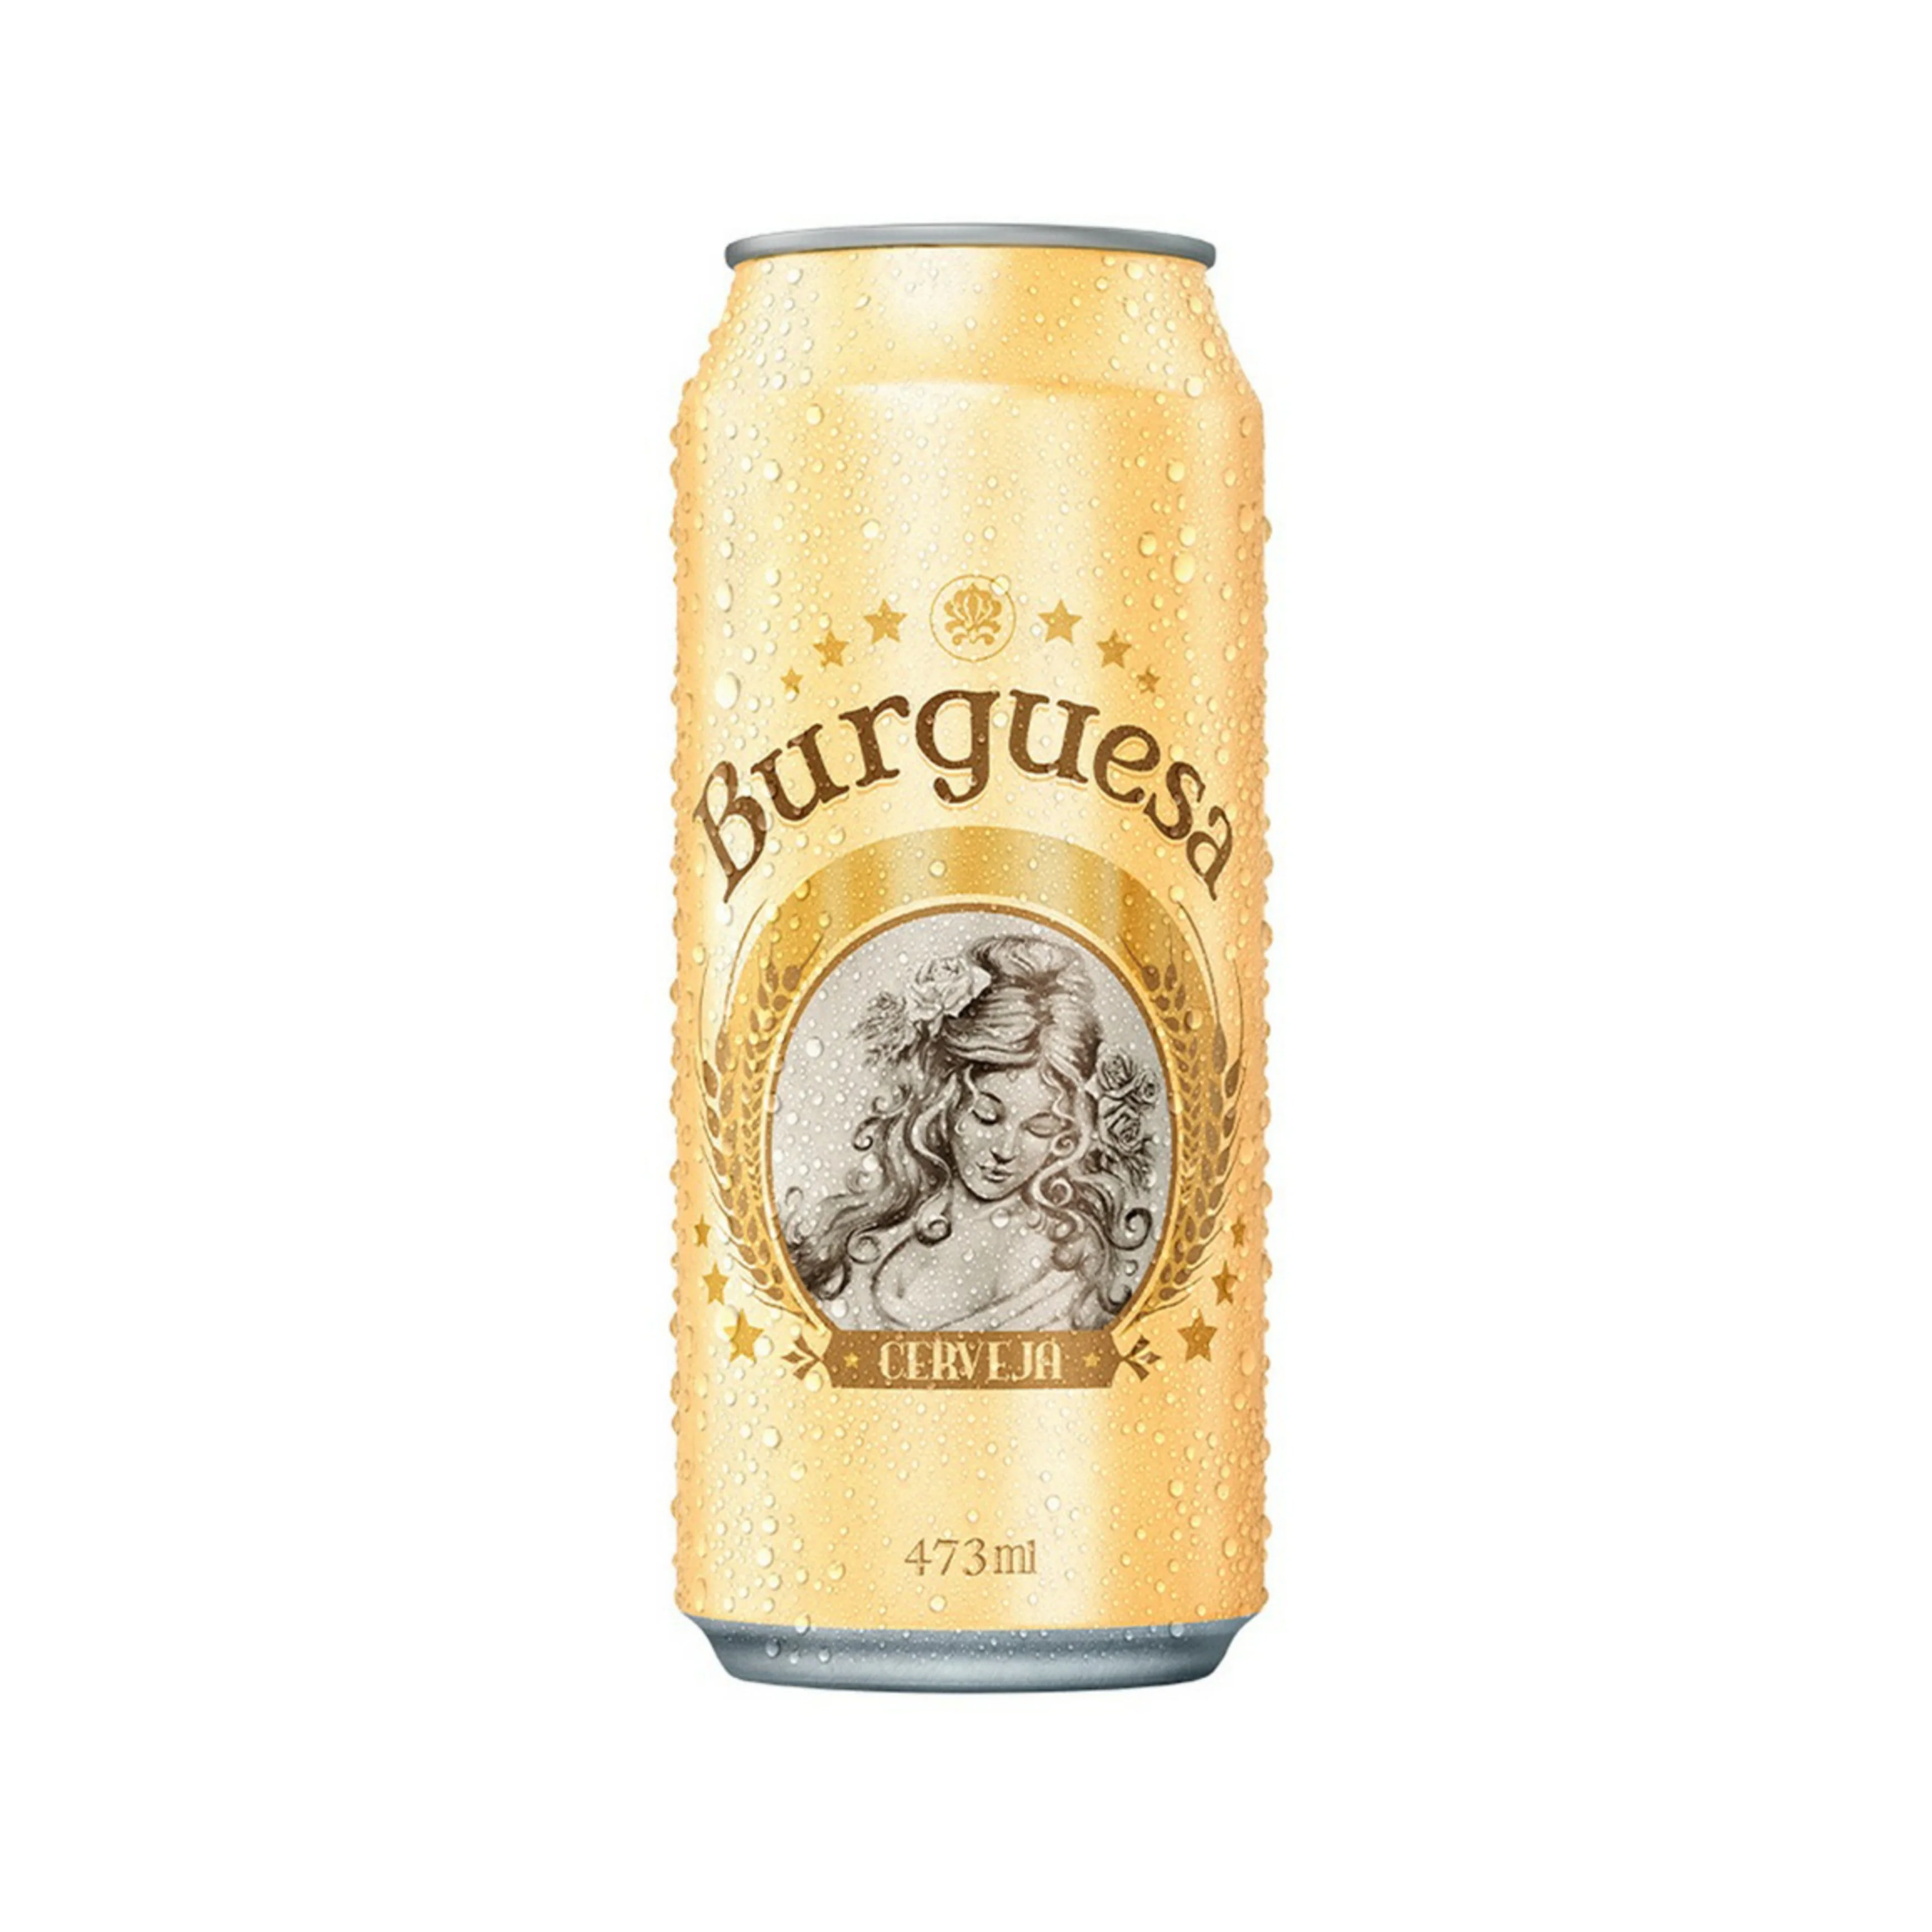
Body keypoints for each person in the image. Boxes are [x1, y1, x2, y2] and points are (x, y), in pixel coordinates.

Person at [783, 933, 1160, 1331]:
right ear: (945, 1102)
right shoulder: (878, 1234)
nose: (1006, 1150)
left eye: (1039, 1127)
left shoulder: (1065, 1259)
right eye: (986, 1116)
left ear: (1066, 1134)